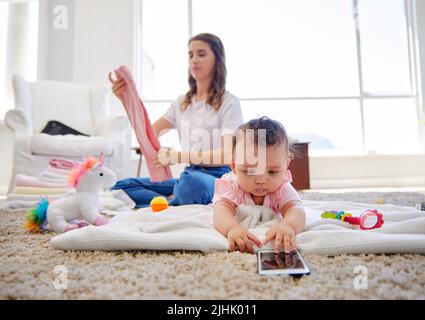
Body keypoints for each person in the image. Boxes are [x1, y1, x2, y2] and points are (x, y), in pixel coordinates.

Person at [109, 33, 243, 207]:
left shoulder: (229, 102)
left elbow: (227, 155)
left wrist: (178, 156)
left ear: (217, 59)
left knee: (192, 184)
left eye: (201, 54)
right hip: (189, 174)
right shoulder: (181, 103)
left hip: (219, 177)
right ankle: (172, 200)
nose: (194, 60)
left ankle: (174, 199)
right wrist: (126, 99)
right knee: (119, 187)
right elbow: (148, 131)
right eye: (190, 55)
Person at [212, 117, 306, 254]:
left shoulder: (282, 187)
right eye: (249, 171)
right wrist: (232, 228)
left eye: (272, 172)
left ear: (285, 165)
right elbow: (220, 213)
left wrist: (288, 225)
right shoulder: (230, 185)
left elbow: (297, 210)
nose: (261, 180)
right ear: (234, 167)